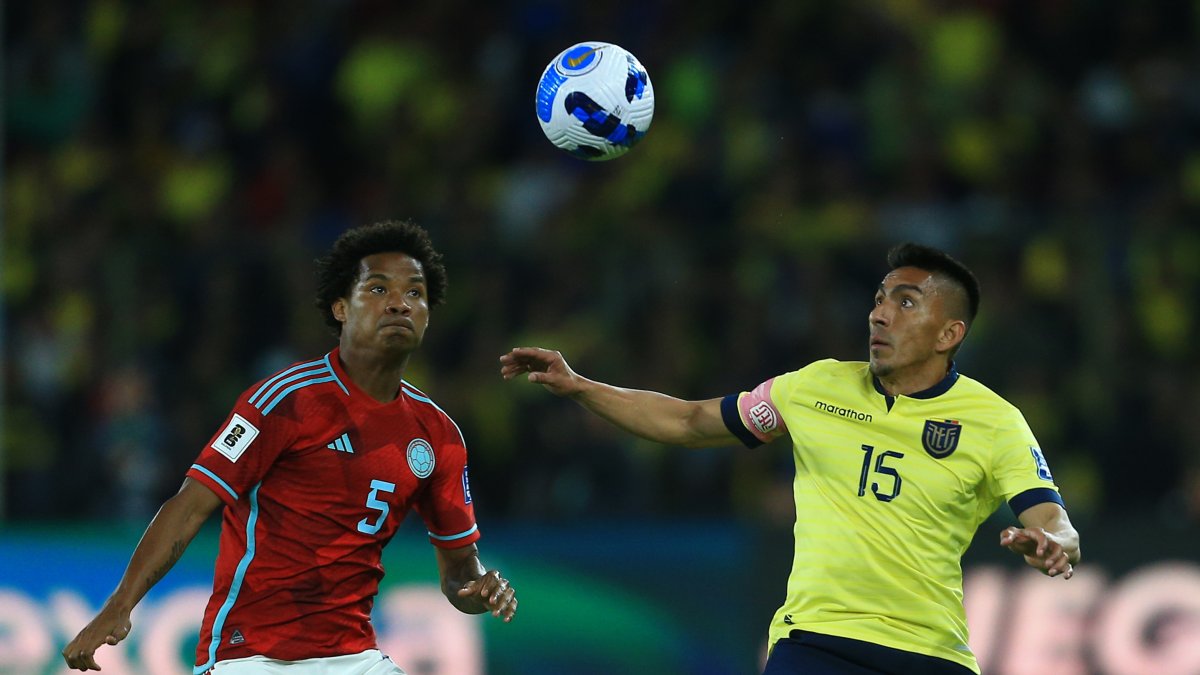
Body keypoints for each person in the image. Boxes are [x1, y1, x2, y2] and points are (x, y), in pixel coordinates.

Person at [500, 243, 1079, 675]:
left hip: (930, 655)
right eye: (880, 300)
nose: (879, 315)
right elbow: (689, 422)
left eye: (906, 303)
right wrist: (581, 387)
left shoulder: (993, 419)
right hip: (817, 645)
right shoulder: (814, 387)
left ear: (949, 333)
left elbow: (1055, 521)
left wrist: (1053, 544)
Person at [64, 220, 517, 674]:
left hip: (353, 658)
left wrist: (480, 588)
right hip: (252, 657)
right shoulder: (285, 401)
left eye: (415, 293)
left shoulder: (437, 435)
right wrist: (119, 605)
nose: (400, 303)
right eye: (378, 289)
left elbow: (459, 571)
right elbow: (189, 507)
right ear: (341, 307)